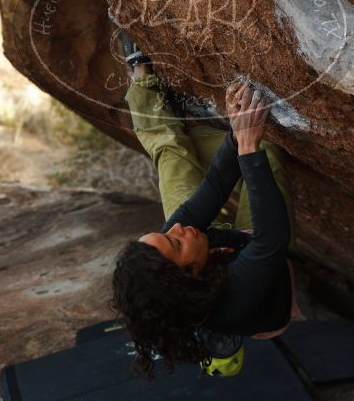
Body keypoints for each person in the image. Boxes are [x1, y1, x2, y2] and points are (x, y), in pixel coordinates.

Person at [110, 30, 300, 380]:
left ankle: (143, 82)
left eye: (162, 234)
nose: (176, 228)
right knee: (266, 154)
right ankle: (191, 130)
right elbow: (271, 239)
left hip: (216, 252)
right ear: (189, 276)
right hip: (256, 255)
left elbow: (214, 186)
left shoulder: (179, 243)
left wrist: (235, 129)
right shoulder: (235, 299)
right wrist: (248, 146)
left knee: (172, 154)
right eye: (174, 242)